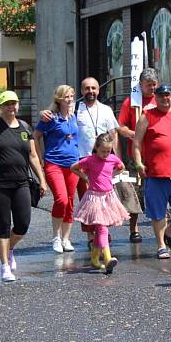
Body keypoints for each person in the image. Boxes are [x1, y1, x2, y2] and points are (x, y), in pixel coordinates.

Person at [40, 77, 124, 248]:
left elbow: (114, 136)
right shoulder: (75, 109)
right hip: (80, 161)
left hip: (103, 163)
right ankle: (90, 236)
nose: (90, 91)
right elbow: (56, 115)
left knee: (102, 200)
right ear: (82, 90)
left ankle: (100, 233)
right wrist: (44, 113)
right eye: (86, 88)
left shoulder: (107, 109)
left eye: (93, 88)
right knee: (86, 201)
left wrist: (117, 160)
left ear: (99, 90)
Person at [0, 90, 48, 282]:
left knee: (22, 224)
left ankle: (10, 248)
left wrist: (42, 179)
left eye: (14, 103)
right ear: (1, 106)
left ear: (18, 105)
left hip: (21, 183)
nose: (11, 107)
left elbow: (33, 155)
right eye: (7, 104)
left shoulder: (25, 127)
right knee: (3, 225)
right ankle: (4, 266)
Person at [133, 84, 171, 259]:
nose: (165, 98)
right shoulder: (147, 116)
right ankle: (161, 245)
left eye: (167, 95)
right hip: (156, 172)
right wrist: (138, 164)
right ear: (156, 97)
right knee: (158, 211)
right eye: (161, 96)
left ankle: (170, 231)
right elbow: (137, 142)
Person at [71, 133, 129, 274]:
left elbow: (121, 166)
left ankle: (95, 259)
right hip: (94, 198)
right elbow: (73, 167)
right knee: (102, 228)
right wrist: (85, 177)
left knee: (100, 230)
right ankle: (108, 258)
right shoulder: (89, 160)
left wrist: (113, 175)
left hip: (108, 197)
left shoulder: (112, 159)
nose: (105, 154)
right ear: (96, 148)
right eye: (102, 151)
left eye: (108, 151)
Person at [34, 85, 80, 254]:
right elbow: (35, 136)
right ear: (59, 99)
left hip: (73, 164)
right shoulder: (51, 118)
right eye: (67, 96)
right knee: (61, 199)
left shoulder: (74, 117)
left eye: (72, 96)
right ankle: (56, 236)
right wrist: (39, 158)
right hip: (54, 163)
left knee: (70, 201)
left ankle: (66, 238)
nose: (70, 99)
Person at [116, 68, 159, 242]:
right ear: (141, 85)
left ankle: (162, 230)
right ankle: (134, 228)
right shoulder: (131, 102)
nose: (152, 88)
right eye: (148, 85)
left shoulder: (160, 100)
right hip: (135, 154)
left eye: (154, 85)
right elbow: (120, 126)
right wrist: (134, 134)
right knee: (134, 192)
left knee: (158, 191)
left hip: (157, 154)